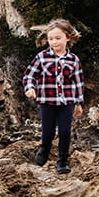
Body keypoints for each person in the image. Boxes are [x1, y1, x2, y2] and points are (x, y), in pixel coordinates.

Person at [22, 19, 85, 174]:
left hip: (66, 102)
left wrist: (78, 103)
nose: (54, 42)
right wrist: (30, 88)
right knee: (48, 132)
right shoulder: (42, 57)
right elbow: (29, 75)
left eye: (58, 38)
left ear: (67, 38)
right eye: (51, 39)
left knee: (65, 132)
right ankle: (45, 148)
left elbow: (78, 83)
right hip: (47, 101)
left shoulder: (74, 60)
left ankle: (62, 161)